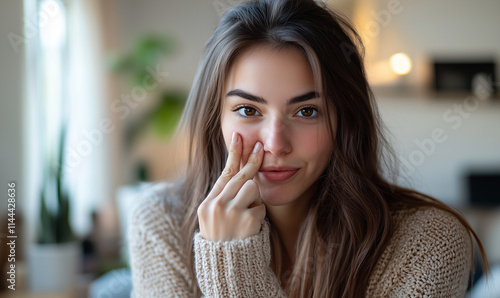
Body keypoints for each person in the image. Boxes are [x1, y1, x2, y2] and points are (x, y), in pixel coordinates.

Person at [128, 0, 489, 297]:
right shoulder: (160, 223)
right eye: (248, 110)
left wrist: (231, 267)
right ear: (214, 119)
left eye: (306, 111)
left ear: (343, 121)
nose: (275, 144)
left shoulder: (426, 243)